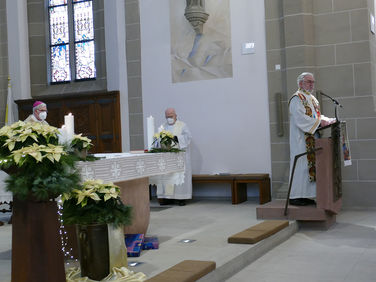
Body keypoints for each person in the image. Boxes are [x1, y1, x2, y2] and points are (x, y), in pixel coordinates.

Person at [288, 72, 336, 206]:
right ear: (300, 83)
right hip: (301, 140)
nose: (312, 84)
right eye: (309, 81)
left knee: (309, 168)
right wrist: (319, 123)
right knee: (301, 166)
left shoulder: (313, 99)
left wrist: (327, 120)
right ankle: (296, 196)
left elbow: (316, 116)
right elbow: (300, 119)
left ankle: (306, 196)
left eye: (313, 82)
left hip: (312, 138)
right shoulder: (297, 98)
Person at [157, 108, 192, 206]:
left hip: (179, 157)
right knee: (168, 176)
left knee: (179, 176)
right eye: (167, 117)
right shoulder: (162, 127)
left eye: (171, 116)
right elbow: (158, 139)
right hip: (167, 157)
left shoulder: (182, 125)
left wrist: (177, 138)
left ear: (175, 115)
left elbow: (188, 137)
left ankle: (181, 198)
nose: (169, 118)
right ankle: (168, 198)